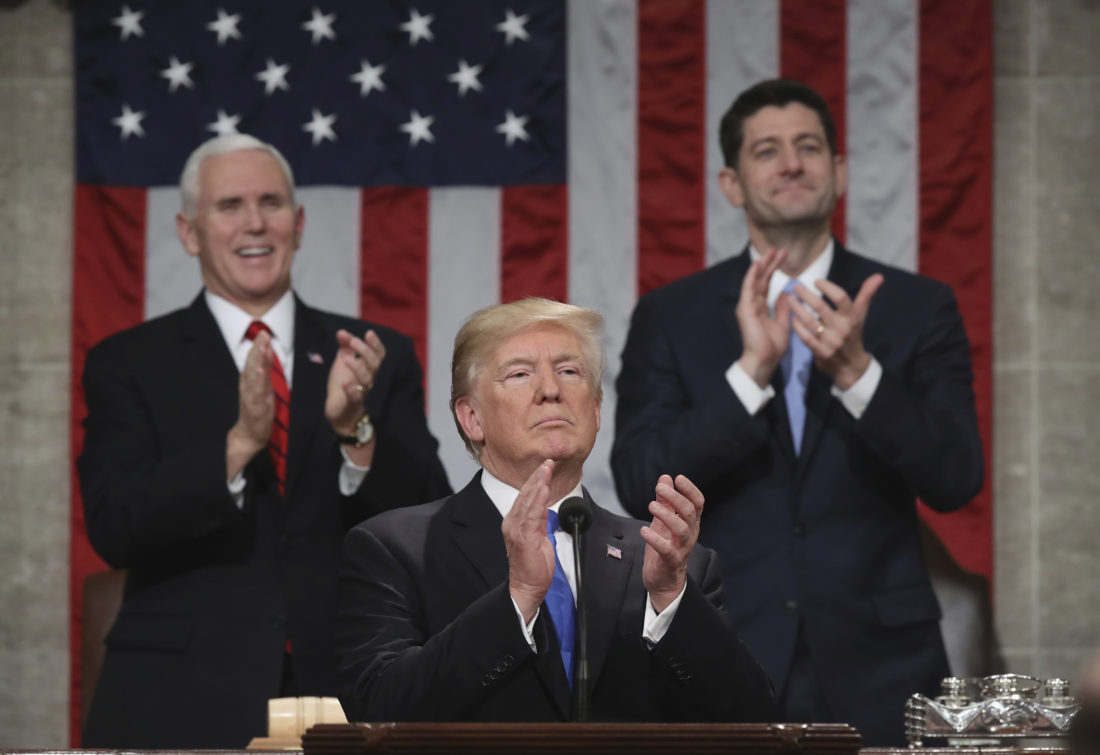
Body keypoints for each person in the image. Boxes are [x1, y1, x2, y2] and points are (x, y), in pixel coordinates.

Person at [612, 79, 984, 746]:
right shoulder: (673, 315)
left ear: (838, 172)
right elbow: (642, 481)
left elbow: (956, 476)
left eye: (809, 146)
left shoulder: (916, 306)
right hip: (721, 651)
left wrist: (858, 373)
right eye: (768, 150)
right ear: (731, 182)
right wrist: (749, 375)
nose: (791, 163)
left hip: (884, 666)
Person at [77, 134, 452, 748]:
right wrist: (238, 445)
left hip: (347, 684)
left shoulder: (368, 355)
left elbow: (427, 525)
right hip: (178, 692)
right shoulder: (127, 363)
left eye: (271, 202)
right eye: (229, 205)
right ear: (189, 231)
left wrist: (354, 431)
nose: (255, 223)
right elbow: (114, 527)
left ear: (298, 224)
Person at [336, 298, 776, 723]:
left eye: (569, 371)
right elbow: (379, 709)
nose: (551, 390)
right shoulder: (395, 549)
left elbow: (751, 719)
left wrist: (670, 601)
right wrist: (518, 598)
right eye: (520, 374)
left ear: (597, 410)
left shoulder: (673, 562)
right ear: (471, 418)